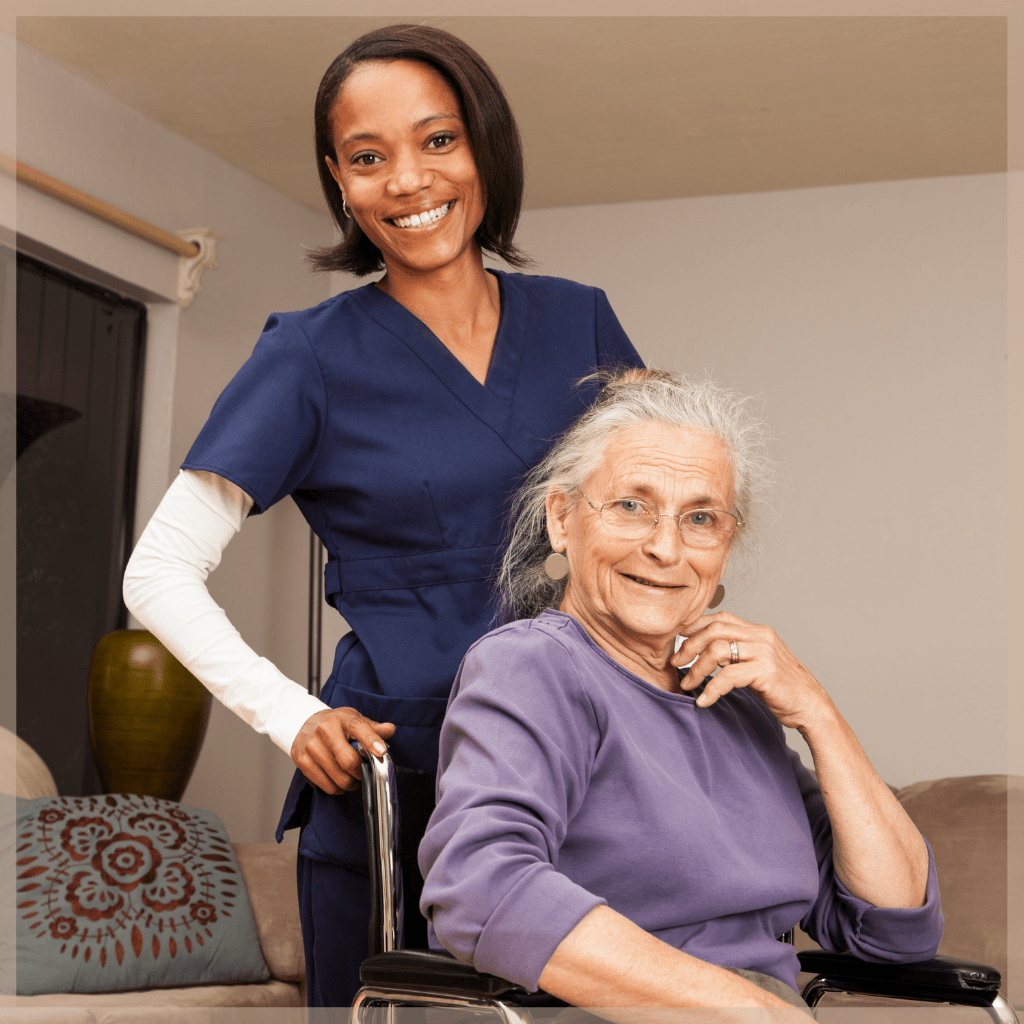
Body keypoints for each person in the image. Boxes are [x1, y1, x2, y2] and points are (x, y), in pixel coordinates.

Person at [122, 25, 642, 1007]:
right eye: (369, 157)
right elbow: (155, 572)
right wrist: (290, 714)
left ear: (485, 146)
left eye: (437, 141)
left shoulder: (581, 323)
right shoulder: (309, 357)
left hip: (585, 768)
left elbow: (659, 528)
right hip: (397, 779)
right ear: (340, 180)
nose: (407, 180)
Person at [418, 368, 943, 1015]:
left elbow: (896, 928)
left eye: (700, 518)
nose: (666, 547)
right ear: (562, 519)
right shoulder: (535, 668)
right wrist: (751, 1011)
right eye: (631, 506)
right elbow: (480, 888)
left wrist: (815, 711)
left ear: (727, 543)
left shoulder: (737, 700)